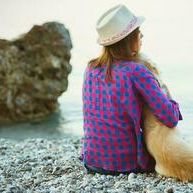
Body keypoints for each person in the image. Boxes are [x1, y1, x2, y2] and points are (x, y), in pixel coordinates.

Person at [78, 4, 183, 175]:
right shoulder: (136, 71)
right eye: (138, 33)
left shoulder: (90, 68)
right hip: (125, 164)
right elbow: (170, 118)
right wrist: (167, 94)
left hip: (91, 161)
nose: (142, 36)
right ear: (129, 39)